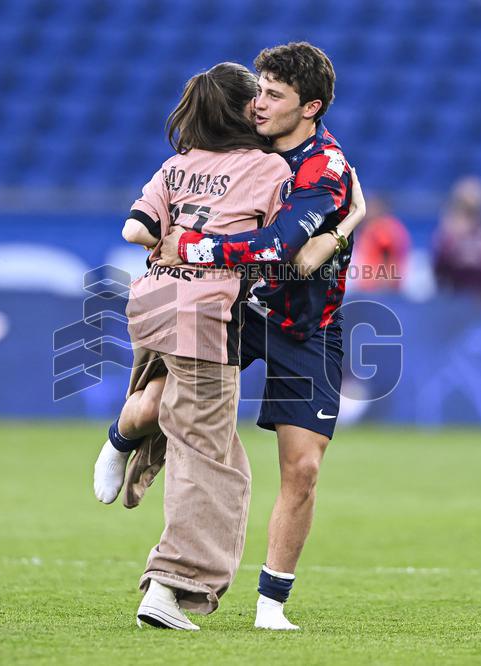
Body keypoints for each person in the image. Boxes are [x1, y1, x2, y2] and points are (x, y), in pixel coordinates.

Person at [98, 42, 359, 631]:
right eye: (258, 90)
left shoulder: (325, 167)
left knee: (302, 468)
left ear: (310, 107)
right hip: (238, 309)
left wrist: (192, 248)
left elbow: (280, 247)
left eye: (274, 95)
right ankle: (120, 438)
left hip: (305, 325)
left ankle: (271, 607)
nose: (257, 104)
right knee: (161, 404)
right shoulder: (249, 142)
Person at [432, 176, 481, 294]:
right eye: (463, 207)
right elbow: (439, 274)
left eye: (472, 210)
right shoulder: (445, 235)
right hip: (456, 299)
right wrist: (453, 244)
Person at [348, 194, 409, 292]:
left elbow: (386, 254)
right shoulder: (388, 225)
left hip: (377, 286)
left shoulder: (381, 226)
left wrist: (385, 282)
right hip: (377, 285)